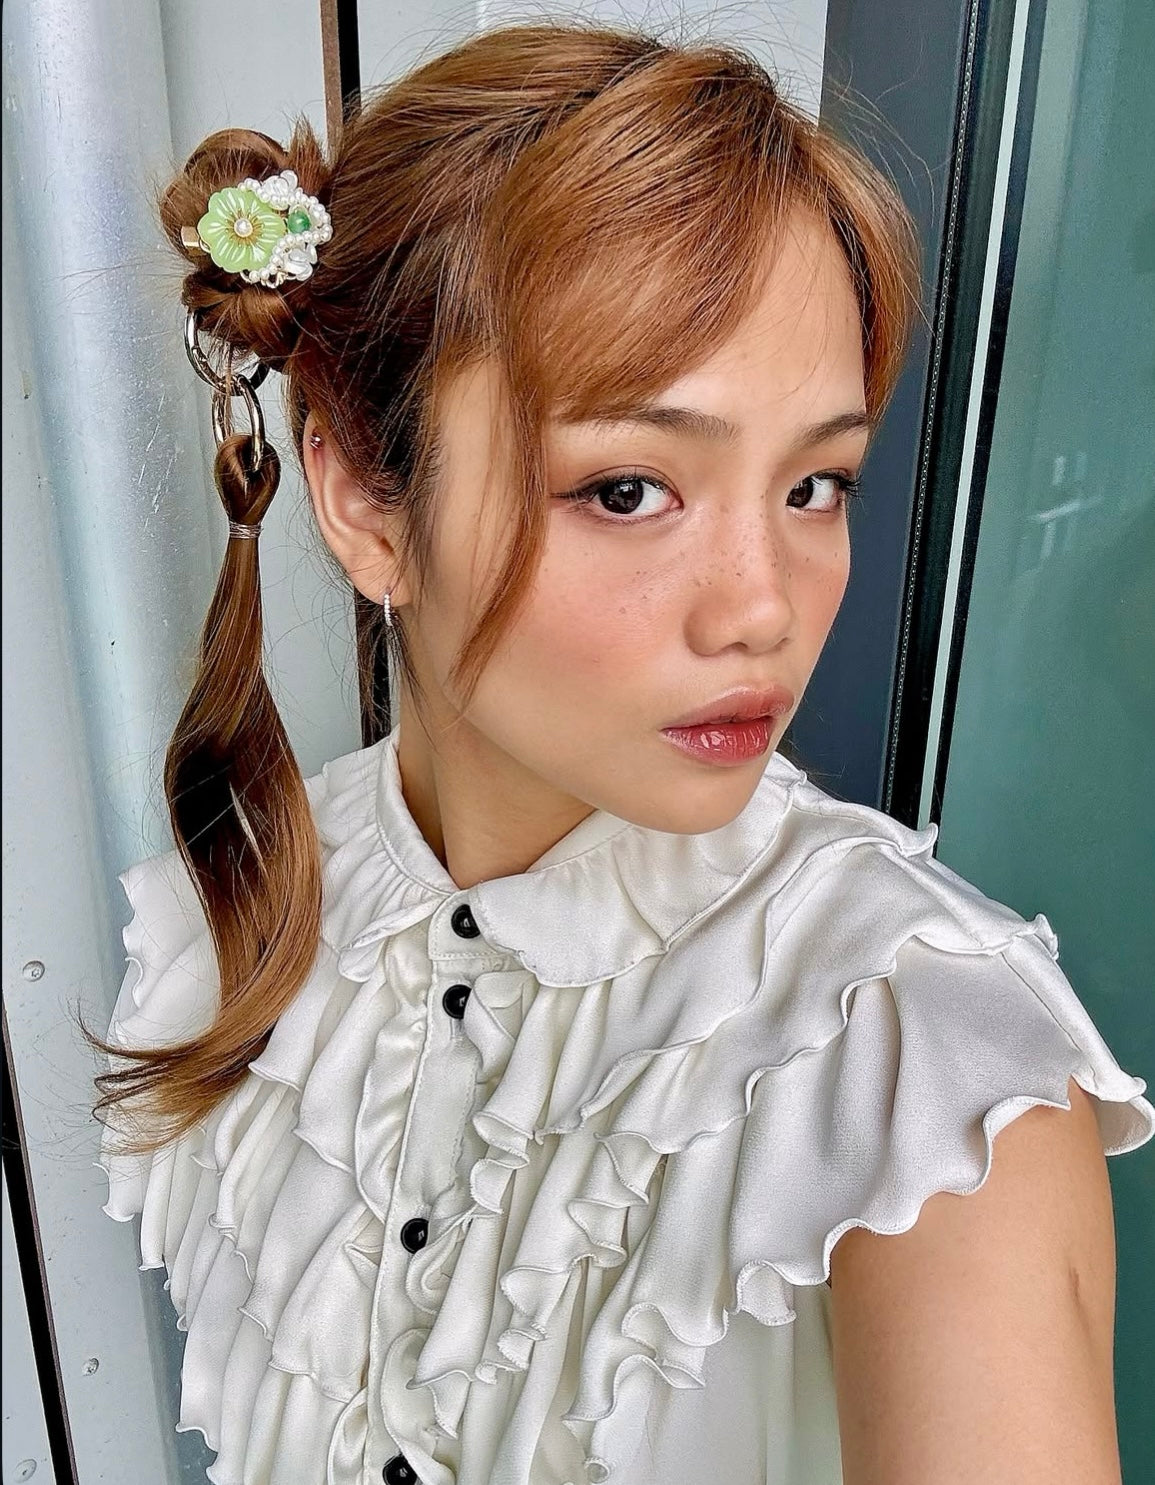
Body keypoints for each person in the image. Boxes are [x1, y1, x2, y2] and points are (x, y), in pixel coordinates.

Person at [89, 21, 1154, 1485]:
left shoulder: (921, 1067)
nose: (765, 607)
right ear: (365, 499)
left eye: (817, 483)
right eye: (633, 489)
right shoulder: (249, 914)